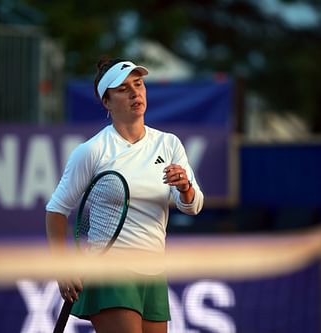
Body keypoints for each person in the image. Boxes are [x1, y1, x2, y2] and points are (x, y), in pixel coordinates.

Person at [45, 57, 204, 333]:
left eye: (139, 84)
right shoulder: (92, 150)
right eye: (123, 88)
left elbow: (193, 206)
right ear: (106, 102)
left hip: (154, 269)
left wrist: (185, 187)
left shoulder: (169, 144)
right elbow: (56, 209)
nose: (135, 92)